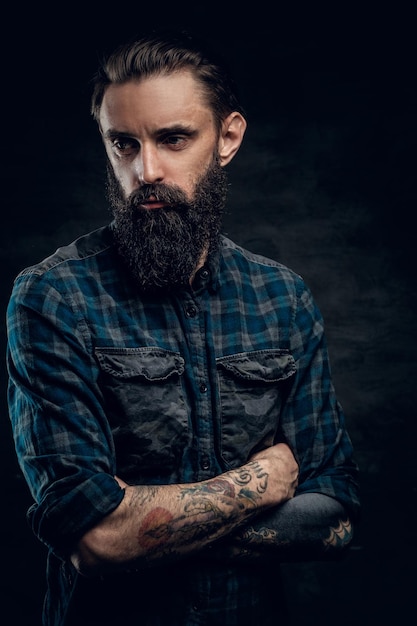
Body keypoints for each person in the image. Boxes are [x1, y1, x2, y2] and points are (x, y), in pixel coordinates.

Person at [6, 29, 360, 626]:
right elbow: (92, 539)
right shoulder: (52, 298)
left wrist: (140, 533)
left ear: (227, 137)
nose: (146, 170)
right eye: (123, 144)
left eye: (173, 139)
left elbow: (335, 516)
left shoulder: (283, 299)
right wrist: (262, 481)